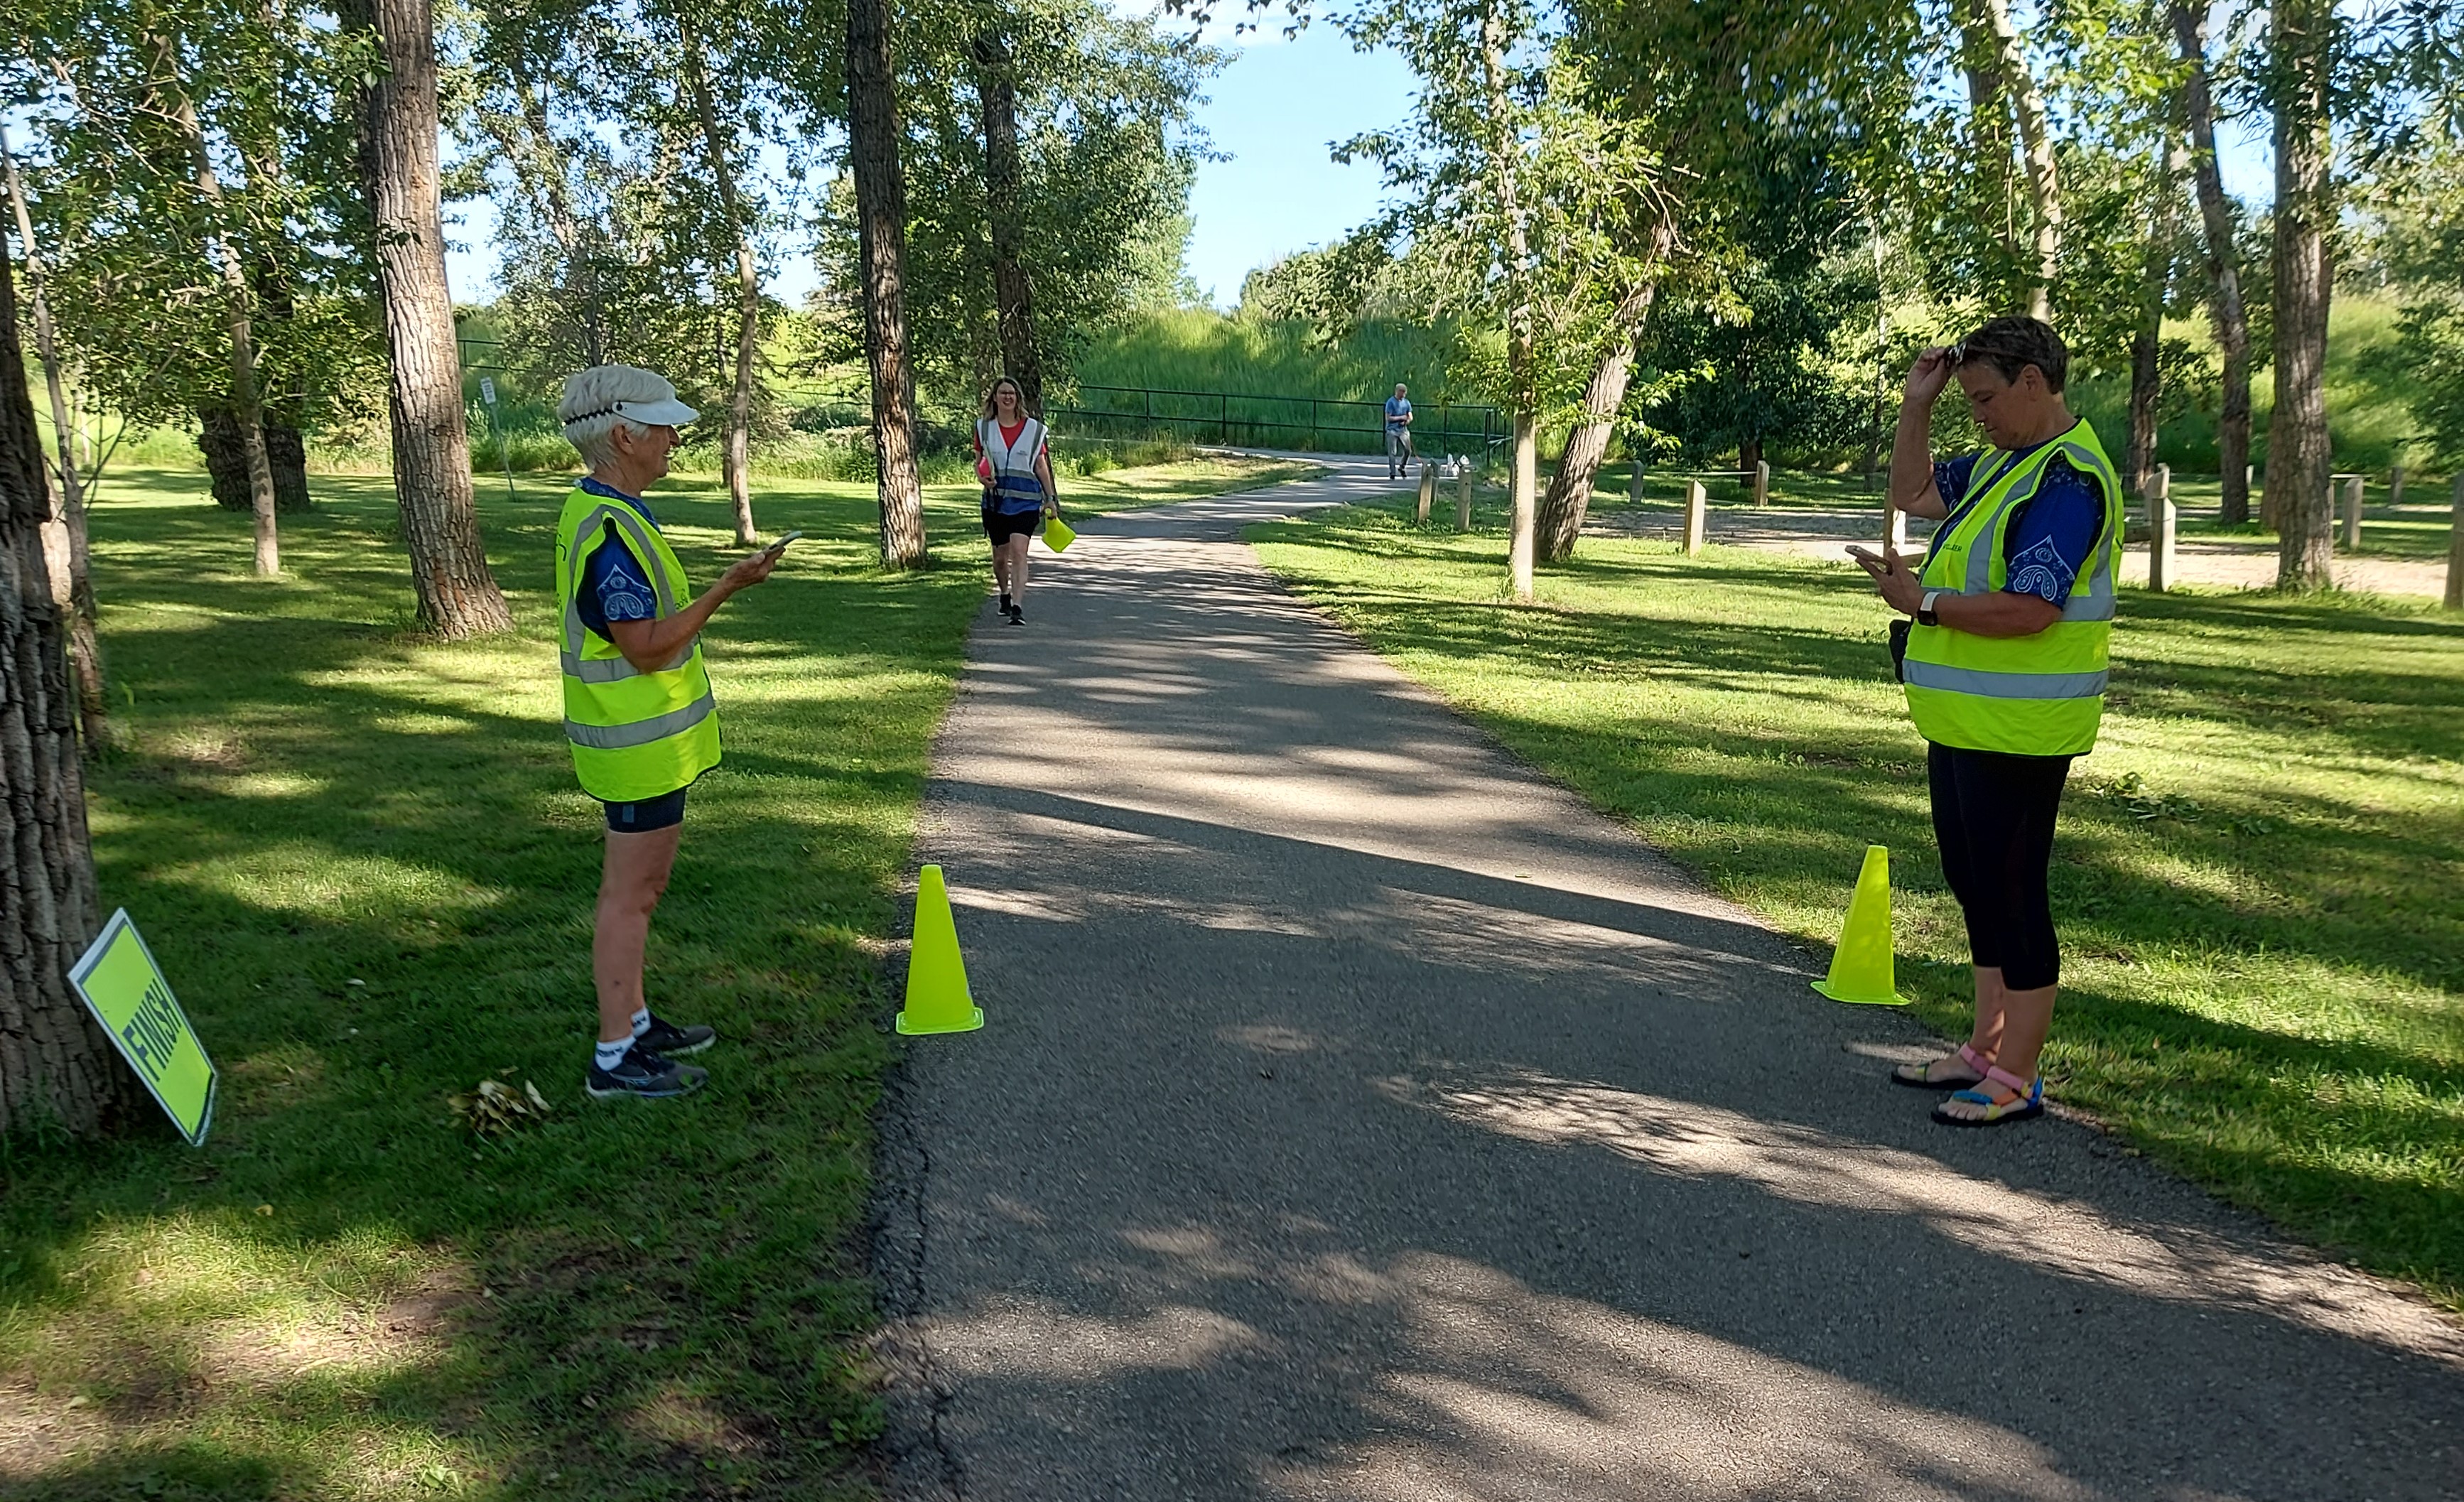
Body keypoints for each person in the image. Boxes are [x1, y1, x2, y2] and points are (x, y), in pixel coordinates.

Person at [1847, 316, 2123, 1128]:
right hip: (1968, 722)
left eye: (1985, 399)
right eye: (1967, 402)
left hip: (2021, 732)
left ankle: (2018, 1076)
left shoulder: (2066, 480)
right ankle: (1984, 1049)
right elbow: (1914, 493)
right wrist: (1917, 406)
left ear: (2033, 382)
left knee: (2013, 891)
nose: (1979, 416)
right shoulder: (2008, 464)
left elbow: (2033, 609)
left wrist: (1924, 602)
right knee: (1975, 884)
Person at [556, 364, 784, 1099]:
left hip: (642, 744)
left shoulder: (607, 509)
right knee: (632, 896)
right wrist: (727, 587)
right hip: (635, 747)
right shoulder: (610, 532)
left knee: (640, 892)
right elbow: (647, 647)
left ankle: (635, 1020)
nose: (674, 440)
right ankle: (615, 1056)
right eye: (664, 428)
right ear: (625, 436)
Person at [975, 377, 1057, 626]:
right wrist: (982, 478)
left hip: (1026, 501)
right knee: (1000, 558)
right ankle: (1004, 594)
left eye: (1011, 393)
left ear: (1018, 398)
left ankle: (1017, 607)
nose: (1007, 397)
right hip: (996, 502)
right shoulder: (984, 428)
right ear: (995, 398)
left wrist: (1050, 498)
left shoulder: (1033, 430)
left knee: (1020, 552)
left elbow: (1040, 465)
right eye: (1003, 393)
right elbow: (979, 462)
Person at [1384, 383, 1415, 479]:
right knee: (1393, 452)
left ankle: (1402, 466)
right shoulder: (1390, 402)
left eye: (1405, 392)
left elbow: (1410, 416)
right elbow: (1388, 418)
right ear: (1397, 391)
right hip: (1392, 430)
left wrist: (1407, 421)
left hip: (1403, 430)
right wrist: (1401, 418)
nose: (1404, 394)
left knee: (1408, 450)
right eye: (1402, 392)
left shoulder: (1406, 403)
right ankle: (1392, 472)